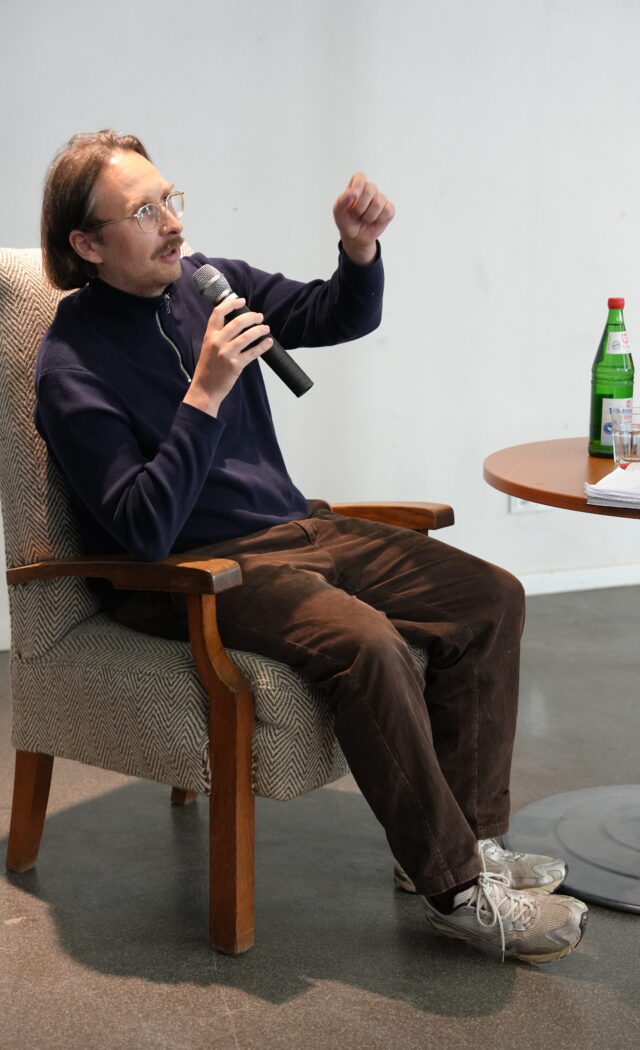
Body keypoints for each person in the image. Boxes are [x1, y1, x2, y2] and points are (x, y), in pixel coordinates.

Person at [35, 130, 588, 964]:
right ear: (87, 244)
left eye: (170, 198)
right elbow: (142, 527)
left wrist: (358, 252)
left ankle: (466, 841)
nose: (173, 223)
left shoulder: (207, 283)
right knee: (368, 644)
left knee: (489, 597)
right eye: (144, 212)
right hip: (192, 571)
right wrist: (206, 392)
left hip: (296, 528)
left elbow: (339, 313)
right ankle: (457, 893)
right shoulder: (70, 365)